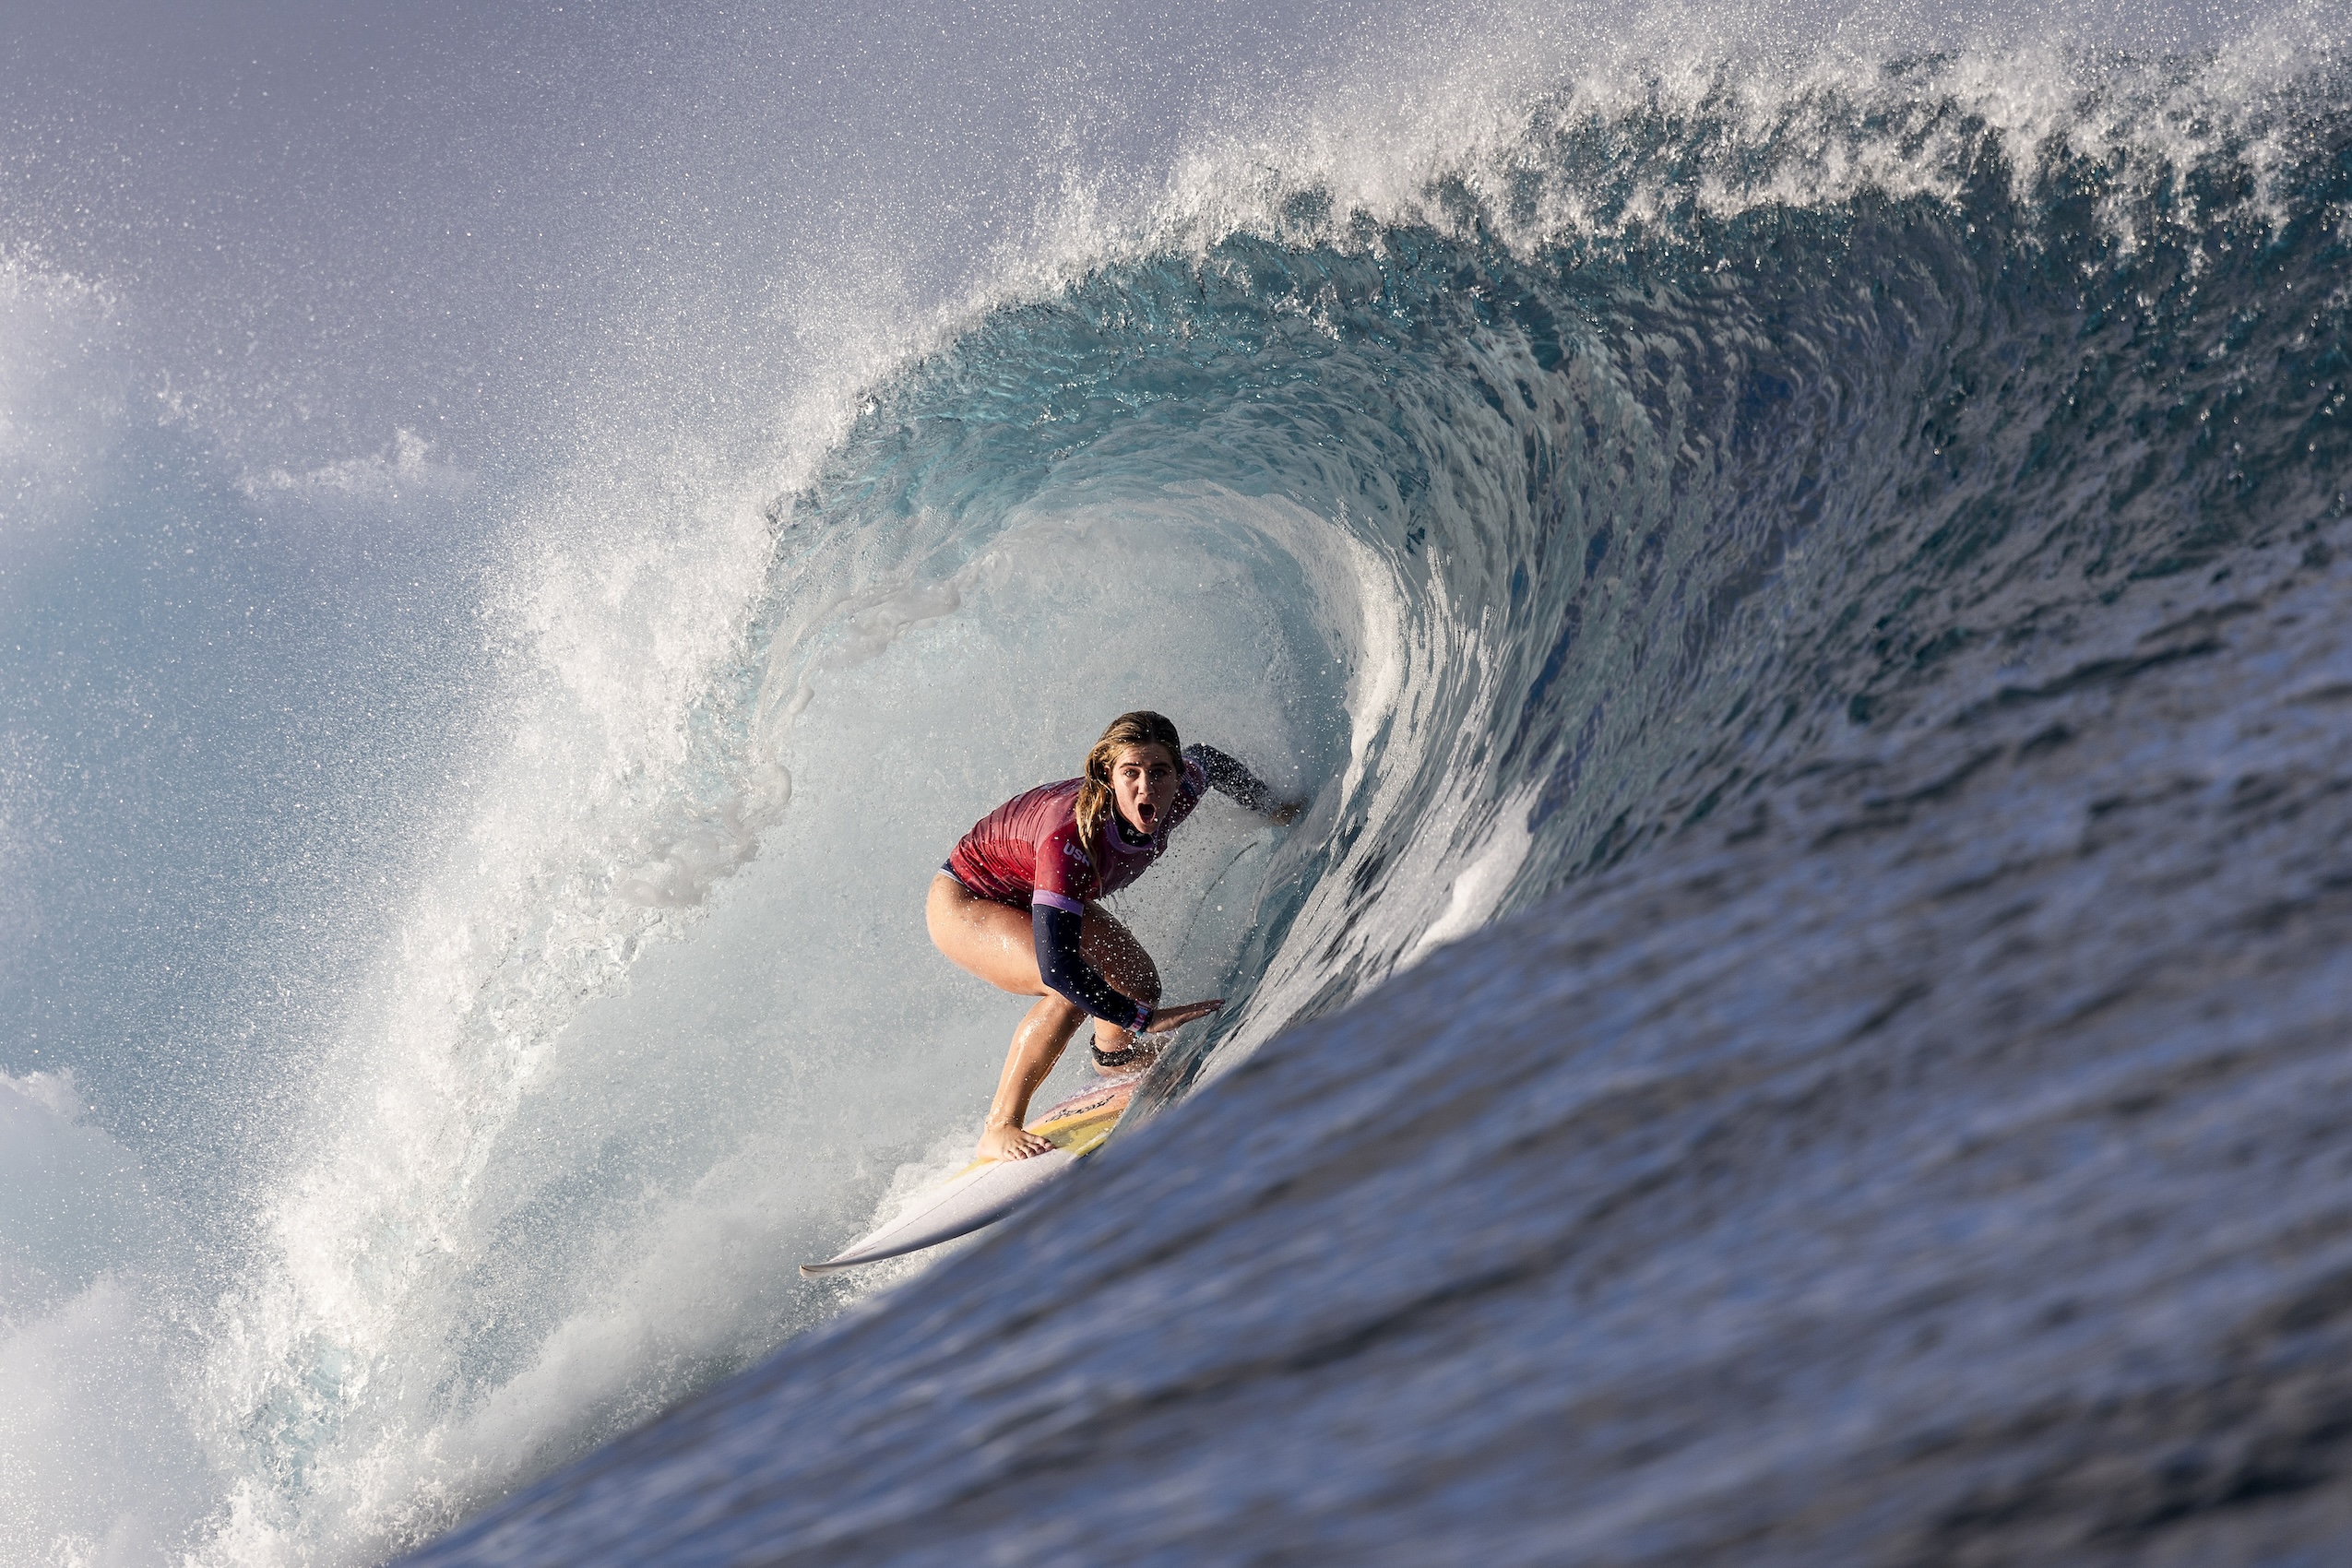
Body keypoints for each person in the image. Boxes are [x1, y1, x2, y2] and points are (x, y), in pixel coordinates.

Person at [929, 710, 1301, 1160]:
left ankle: (1113, 1058)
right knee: (1068, 989)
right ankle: (1000, 1125)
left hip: (1032, 887)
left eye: (1160, 772)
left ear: (1177, 775)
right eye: (1131, 773)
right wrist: (1145, 1022)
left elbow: (1210, 760)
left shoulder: (1180, 790)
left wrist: (1274, 808)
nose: (1147, 787)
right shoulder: (1070, 838)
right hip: (967, 899)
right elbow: (1059, 968)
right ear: (1107, 775)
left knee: (1137, 982)